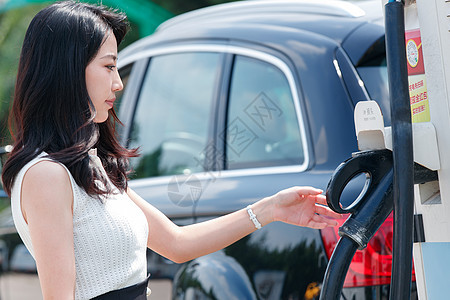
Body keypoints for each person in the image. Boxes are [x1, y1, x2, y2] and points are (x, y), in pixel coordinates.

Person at [1, 1, 341, 299]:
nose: (118, 82)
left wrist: (270, 209)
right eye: (108, 66)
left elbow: (177, 244)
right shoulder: (46, 175)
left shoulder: (89, 163)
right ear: (68, 71)